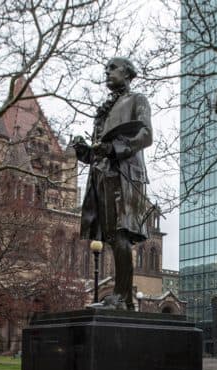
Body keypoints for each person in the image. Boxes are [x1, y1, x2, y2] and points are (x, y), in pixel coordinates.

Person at [73, 57, 153, 310]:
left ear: (127, 73)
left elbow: (146, 135)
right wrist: (83, 150)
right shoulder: (104, 109)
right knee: (110, 236)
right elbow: (98, 151)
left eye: (112, 68)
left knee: (121, 234)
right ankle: (123, 298)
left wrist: (115, 148)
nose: (107, 72)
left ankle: (122, 298)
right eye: (105, 69)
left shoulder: (137, 100)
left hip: (125, 174)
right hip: (102, 175)